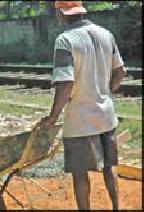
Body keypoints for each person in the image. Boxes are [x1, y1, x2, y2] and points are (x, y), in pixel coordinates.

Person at [40, 1, 126, 210]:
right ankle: (116, 206)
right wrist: (105, 92)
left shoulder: (65, 40)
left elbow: (66, 84)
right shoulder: (106, 34)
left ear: (61, 14)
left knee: (80, 173)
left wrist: (52, 117)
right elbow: (120, 72)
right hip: (106, 115)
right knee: (110, 166)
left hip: (79, 120)